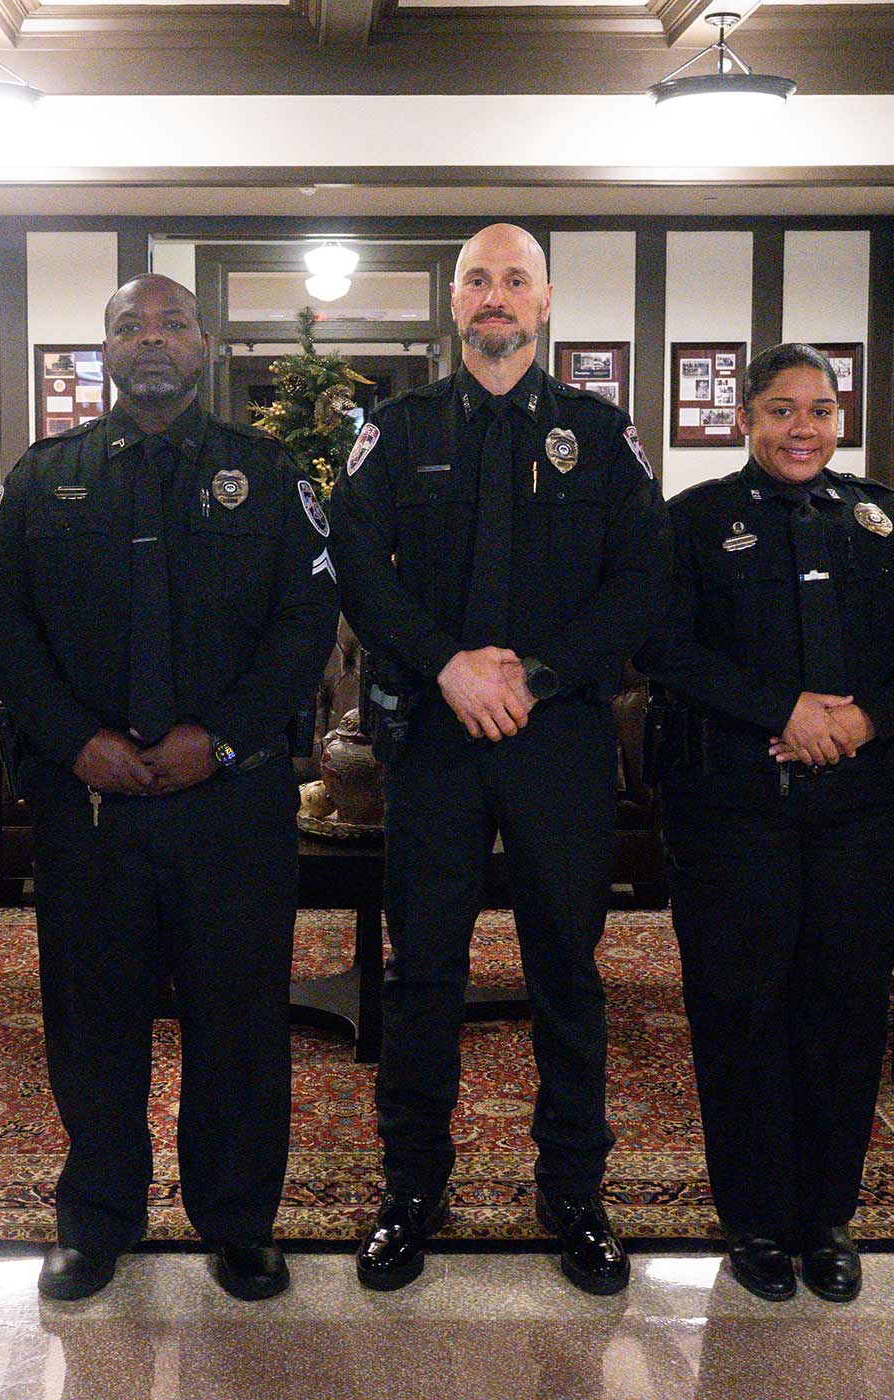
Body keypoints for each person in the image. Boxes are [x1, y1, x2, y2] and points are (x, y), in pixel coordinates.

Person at [0, 273, 336, 1304]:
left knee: (240, 1019)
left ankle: (236, 1219)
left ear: (206, 344)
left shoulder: (264, 475)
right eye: (129, 323)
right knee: (92, 1021)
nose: (151, 338)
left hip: (230, 802)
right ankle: (98, 1217)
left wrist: (219, 738)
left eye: (172, 321)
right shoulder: (48, 477)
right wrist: (72, 738)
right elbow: (2, 621)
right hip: (91, 806)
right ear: (105, 349)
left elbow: (305, 626)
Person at [327, 223, 668, 1296]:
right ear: (456, 301)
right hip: (432, 737)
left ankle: (575, 1191)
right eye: (478, 279)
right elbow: (356, 564)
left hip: (560, 737)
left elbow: (640, 579)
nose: (495, 297)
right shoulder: (398, 428)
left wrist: (540, 674)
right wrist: (446, 665)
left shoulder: (601, 434)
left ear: (547, 301)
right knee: (422, 966)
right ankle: (411, 1187)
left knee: (566, 969)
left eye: (515, 279)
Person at [640, 343, 894, 1303]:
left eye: (821, 411)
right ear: (745, 418)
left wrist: (873, 717)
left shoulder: (883, 518)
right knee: (739, 1011)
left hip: (860, 812)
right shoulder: (696, 522)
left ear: (841, 420)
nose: (803, 430)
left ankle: (826, 1217)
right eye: (783, 410)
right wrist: (779, 709)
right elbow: (663, 644)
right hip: (731, 811)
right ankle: (751, 1219)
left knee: (840, 1008)